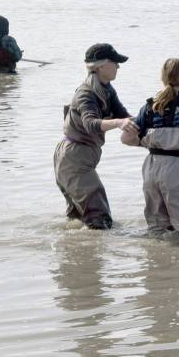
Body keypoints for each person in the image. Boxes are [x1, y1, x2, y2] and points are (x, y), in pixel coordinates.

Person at [122, 58, 179, 242]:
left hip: (151, 168)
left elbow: (126, 138)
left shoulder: (149, 105)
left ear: (162, 79)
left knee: (156, 226)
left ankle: (158, 263)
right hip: (177, 168)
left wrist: (147, 142)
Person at [54, 44, 136, 229]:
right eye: (115, 63)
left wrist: (153, 120)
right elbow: (91, 124)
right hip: (73, 159)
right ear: (100, 66)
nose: (118, 67)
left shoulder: (107, 89)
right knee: (100, 220)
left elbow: (124, 116)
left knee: (80, 219)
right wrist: (117, 123)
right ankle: (93, 254)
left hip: (77, 158)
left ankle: (77, 254)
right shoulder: (86, 93)